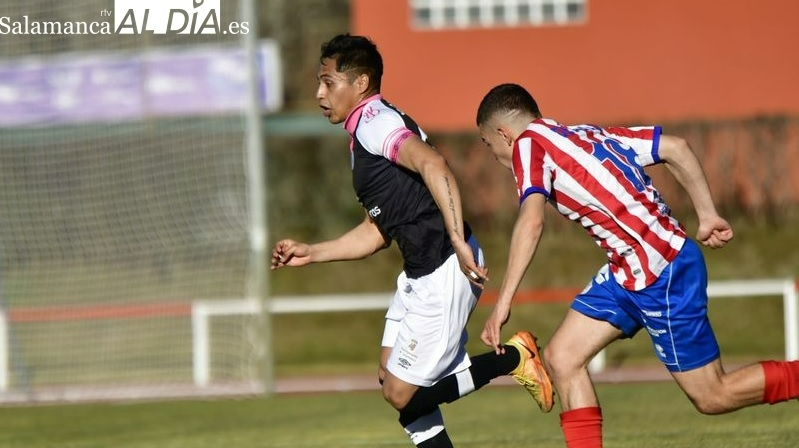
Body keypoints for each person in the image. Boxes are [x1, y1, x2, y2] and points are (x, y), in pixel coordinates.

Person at [475, 83, 799, 448]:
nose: (494, 155)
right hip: (628, 270)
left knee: (713, 396)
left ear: (503, 133)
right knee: (562, 358)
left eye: (488, 145)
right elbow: (677, 148)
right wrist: (706, 214)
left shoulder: (527, 146)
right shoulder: (586, 134)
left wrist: (503, 303)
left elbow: (532, 222)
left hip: (662, 272)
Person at [270, 36, 553, 448]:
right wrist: (312, 252)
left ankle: (514, 357)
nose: (319, 93)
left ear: (361, 83)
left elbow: (433, 163)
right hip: (420, 272)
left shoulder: (375, 123)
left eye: (328, 83)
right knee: (391, 377)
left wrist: (456, 238)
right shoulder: (366, 131)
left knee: (404, 395)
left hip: (444, 268)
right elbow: (376, 232)